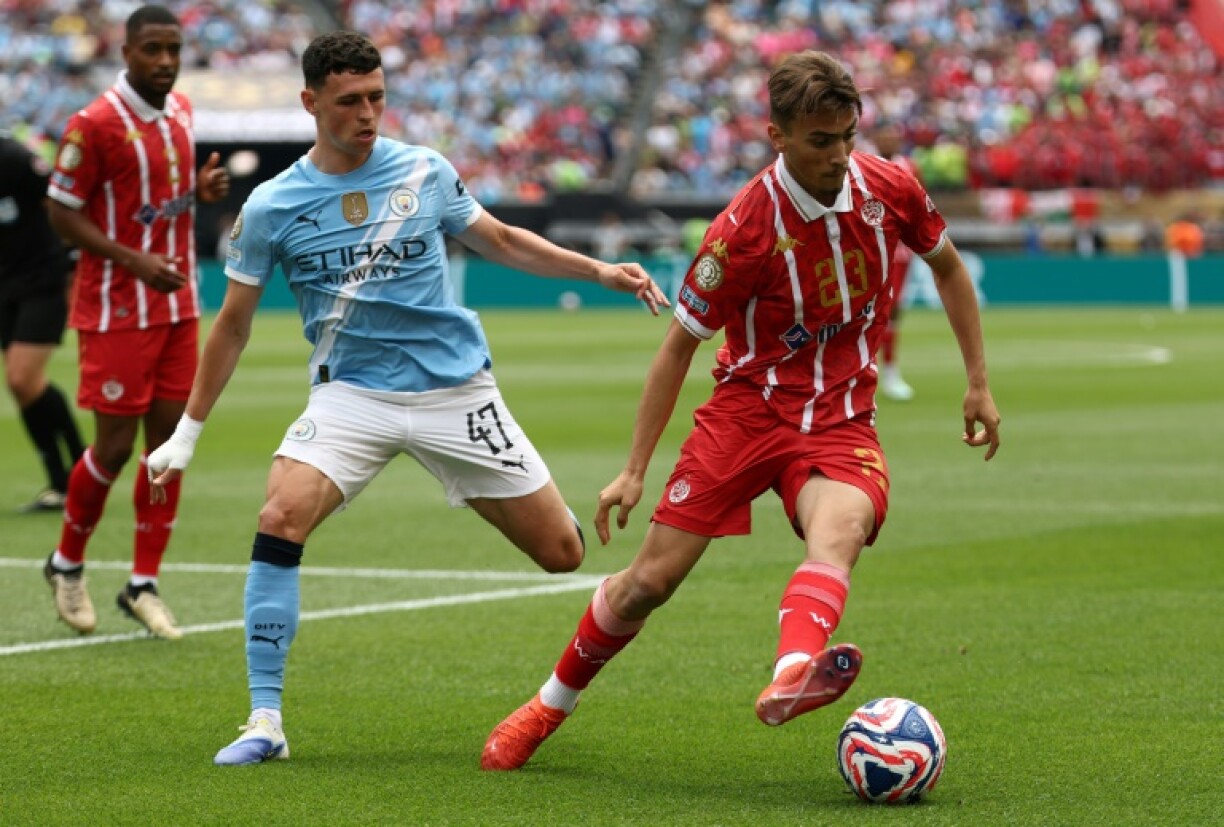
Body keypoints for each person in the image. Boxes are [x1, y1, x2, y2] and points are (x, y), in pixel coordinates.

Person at [144, 31, 669, 766]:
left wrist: (598, 271)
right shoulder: (271, 206)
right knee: (279, 514)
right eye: (350, 101)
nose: (368, 113)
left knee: (561, 552)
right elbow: (231, 325)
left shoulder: (424, 170)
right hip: (351, 397)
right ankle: (265, 719)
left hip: (457, 392)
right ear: (310, 103)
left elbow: (503, 240)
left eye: (377, 98)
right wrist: (189, 432)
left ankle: (502, 498)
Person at [480, 50, 1002, 772]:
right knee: (646, 584)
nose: (839, 155)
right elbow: (676, 349)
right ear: (777, 135)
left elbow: (947, 266)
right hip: (746, 415)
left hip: (841, 414)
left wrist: (978, 381)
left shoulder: (890, 189)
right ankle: (547, 705)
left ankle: (793, 670)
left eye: (848, 135)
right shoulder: (741, 232)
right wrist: (634, 469)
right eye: (821, 141)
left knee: (840, 527)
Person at [42, 5, 231, 639]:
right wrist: (133, 260)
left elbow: (157, 202)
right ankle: (66, 563)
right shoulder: (92, 125)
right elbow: (61, 211)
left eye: (173, 49)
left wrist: (199, 195)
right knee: (116, 447)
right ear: (126, 52)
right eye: (152, 49)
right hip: (118, 307)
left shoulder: (181, 111)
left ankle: (142, 584)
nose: (165, 61)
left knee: (168, 450)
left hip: (179, 306)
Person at [0, 133, 85, 512]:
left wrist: (73, 259)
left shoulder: (15, 157)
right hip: (4, 284)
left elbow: (59, 203)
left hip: (42, 278)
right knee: (23, 387)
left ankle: (78, 466)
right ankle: (63, 480)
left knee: (21, 378)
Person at [871, 120, 919, 402]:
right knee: (868, 309)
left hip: (899, 249)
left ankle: (889, 372)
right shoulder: (861, 164)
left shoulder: (910, 167)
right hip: (870, 245)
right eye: (883, 135)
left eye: (892, 135)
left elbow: (920, 204)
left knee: (894, 309)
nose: (888, 140)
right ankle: (865, 372)